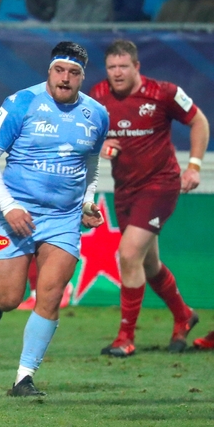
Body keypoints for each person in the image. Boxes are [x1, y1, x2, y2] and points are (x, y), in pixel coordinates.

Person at [0, 41, 109, 396]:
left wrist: (87, 202)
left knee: (49, 295)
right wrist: (8, 206)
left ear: (83, 76)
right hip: (14, 215)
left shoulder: (97, 114)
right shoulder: (21, 103)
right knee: (9, 298)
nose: (65, 79)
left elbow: (91, 164)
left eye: (74, 73)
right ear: (49, 71)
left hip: (64, 220)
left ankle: (24, 377)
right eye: (59, 70)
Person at [90, 39, 209, 357]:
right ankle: (184, 315)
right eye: (112, 67)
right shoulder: (97, 97)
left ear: (137, 67)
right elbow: (85, 135)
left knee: (128, 255)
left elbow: (199, 121)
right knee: (149, 263)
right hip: (125, 190)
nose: (117, 73)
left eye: (123, 67)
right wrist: (100, 143)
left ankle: (125, 337)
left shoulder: (164, 93)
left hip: (160, 186)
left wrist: (194, 167)